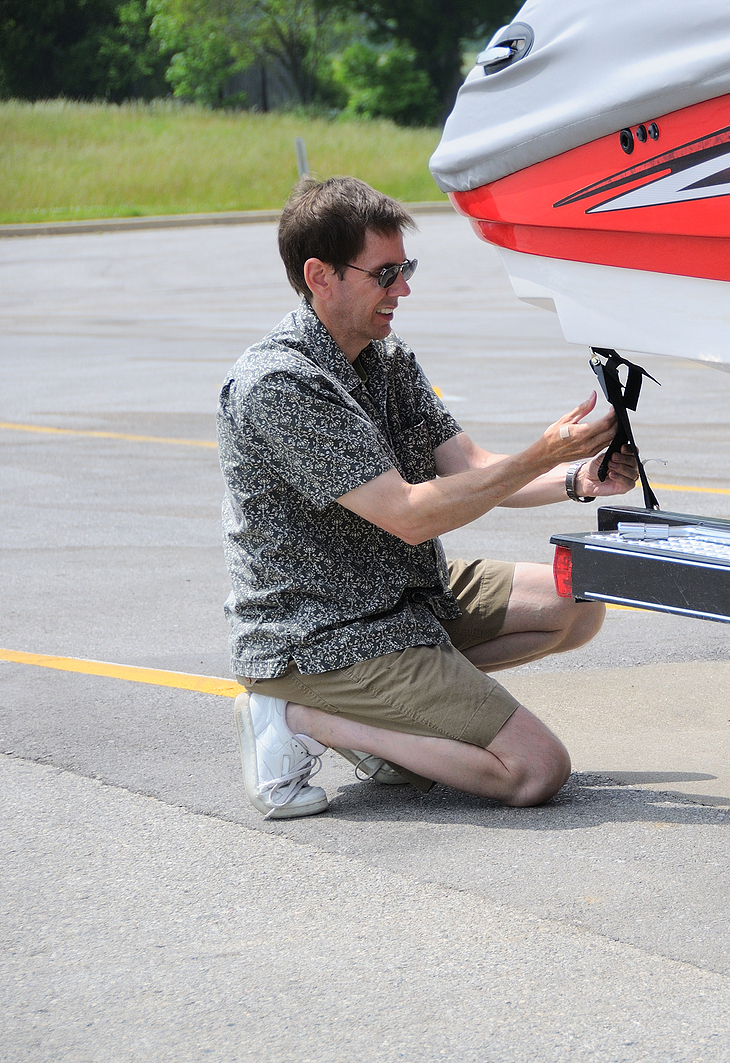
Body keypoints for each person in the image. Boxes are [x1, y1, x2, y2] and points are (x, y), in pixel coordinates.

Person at [219, 175, 636, 819]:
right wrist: (543, 452)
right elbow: (408, 515)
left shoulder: (385, 358)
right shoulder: (280, 385)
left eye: (405, 268)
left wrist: (576, 480)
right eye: (385, 274)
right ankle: (303, 714)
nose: (403, 289)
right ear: (319, 275)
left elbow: (469, 466)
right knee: (534, 770)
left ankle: (407, 726)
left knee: (578, 599)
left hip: (408, 597)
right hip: (327, 631)